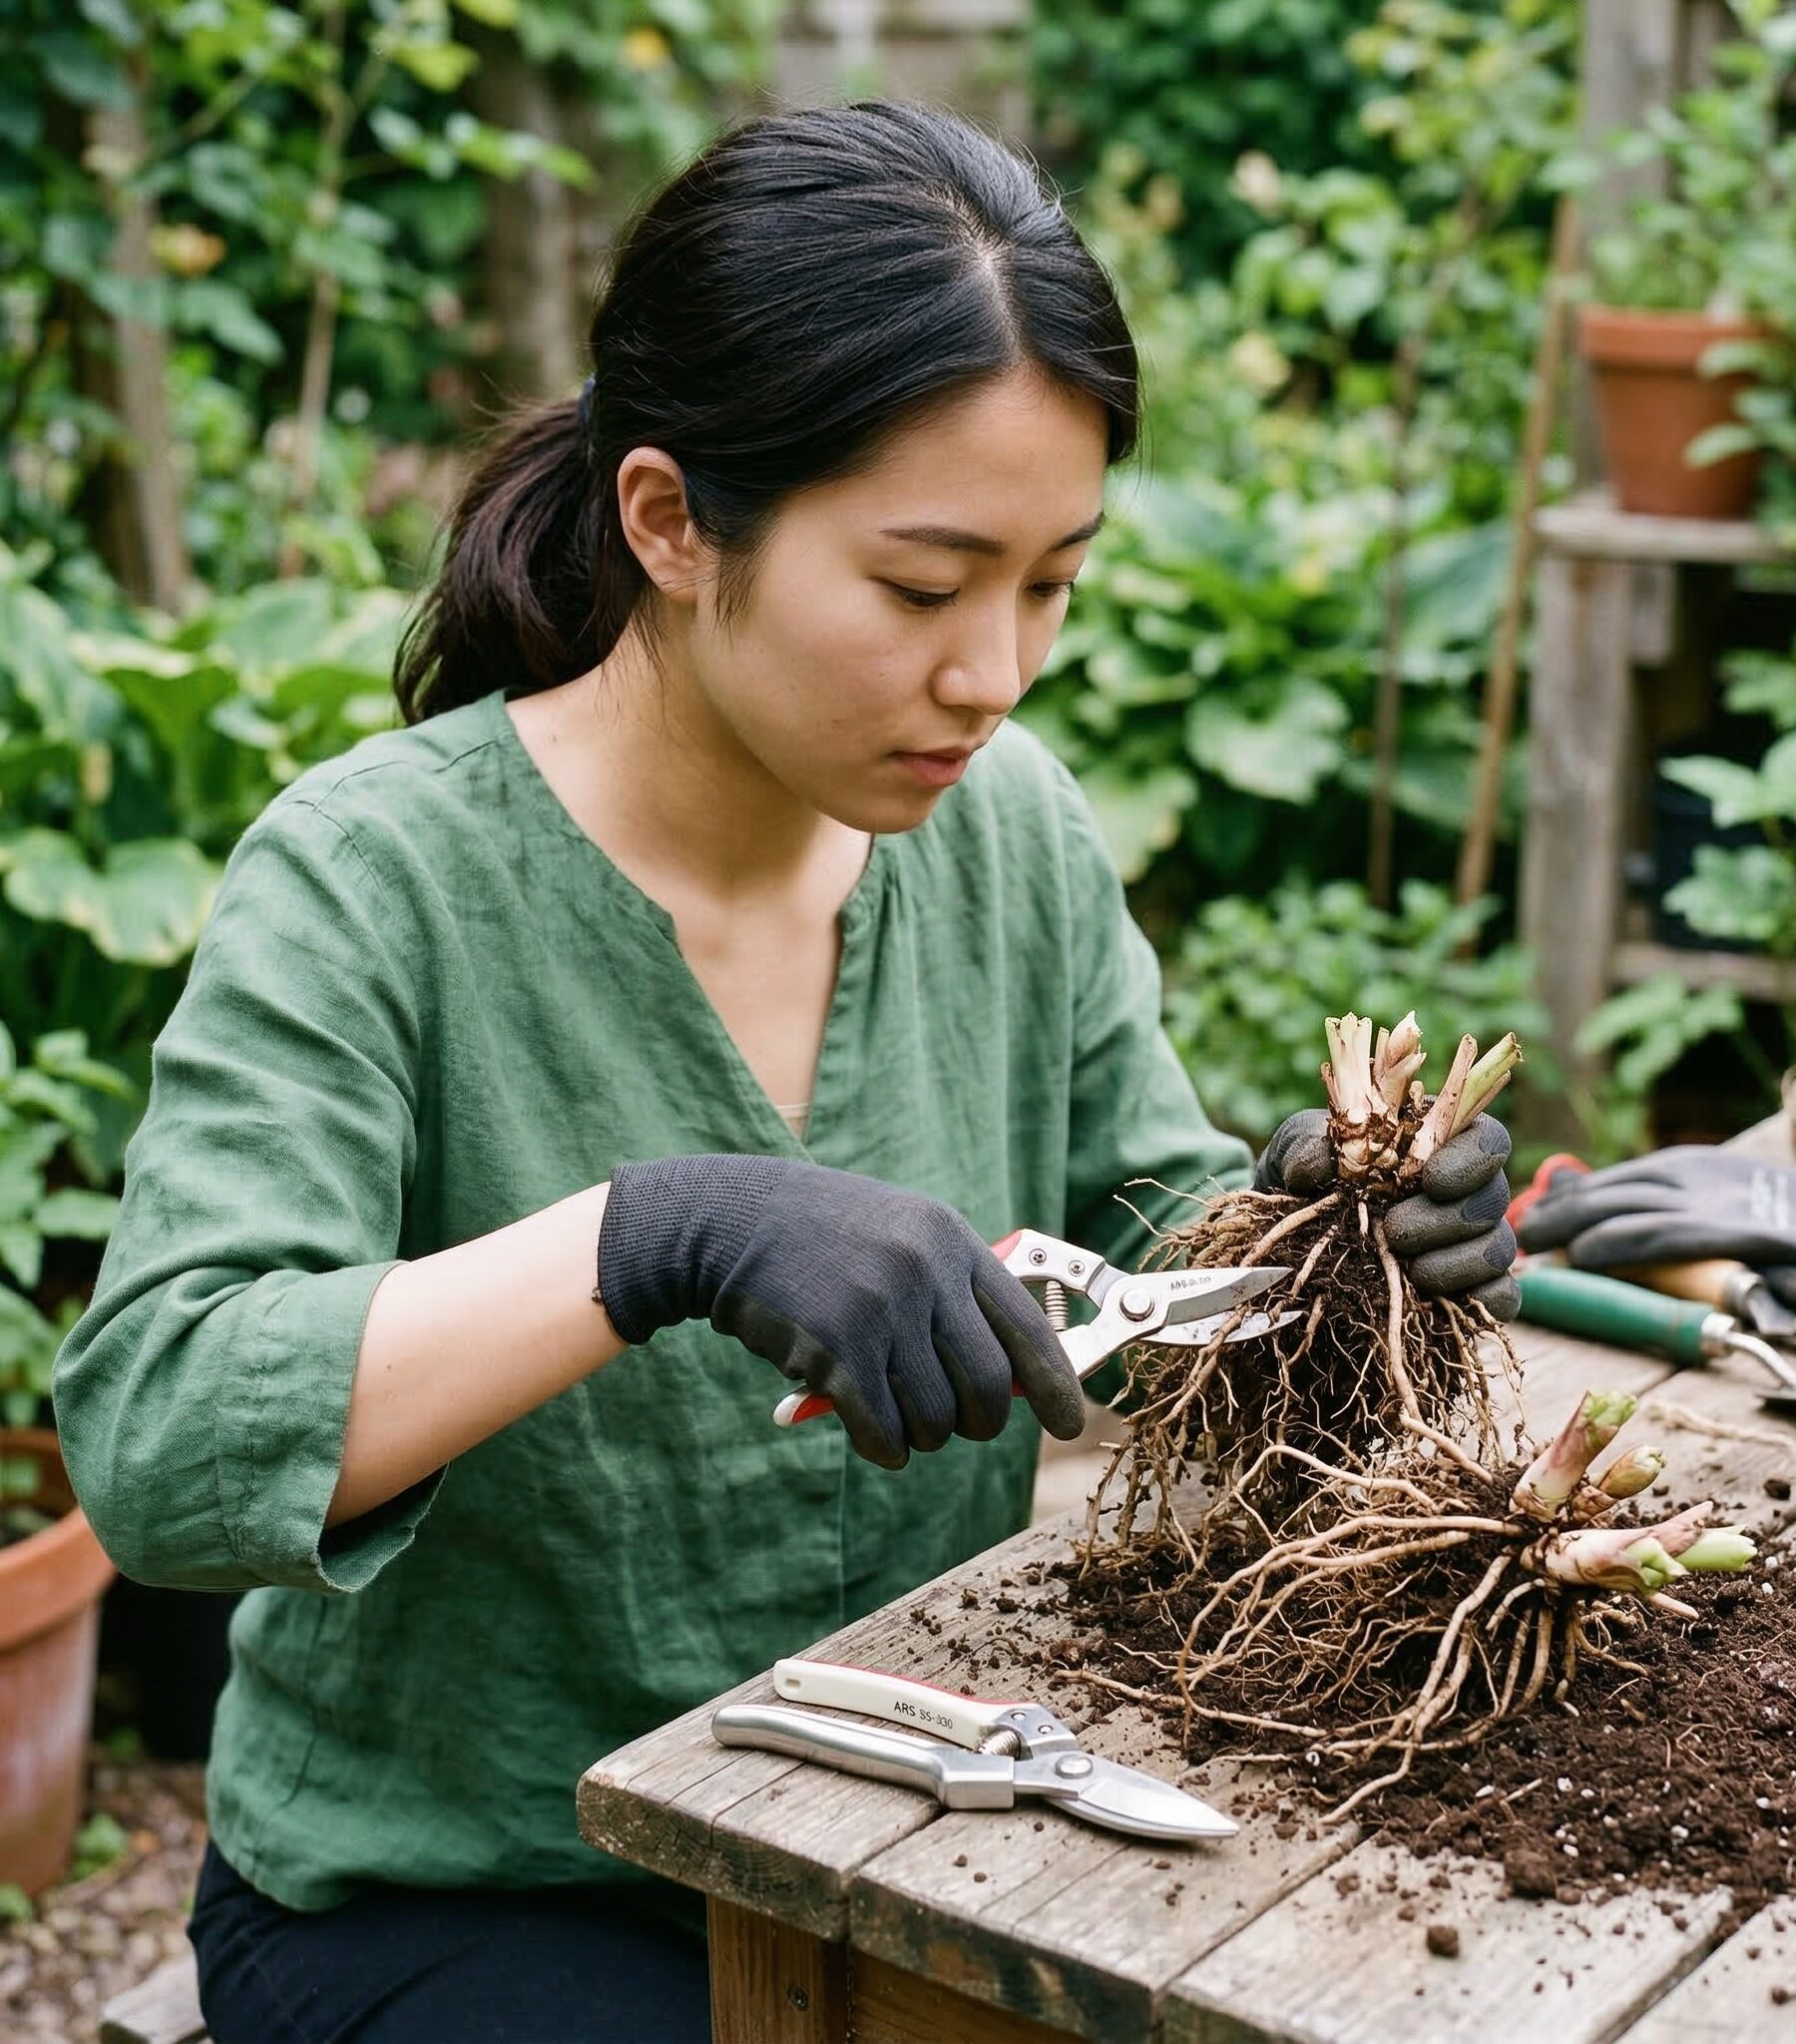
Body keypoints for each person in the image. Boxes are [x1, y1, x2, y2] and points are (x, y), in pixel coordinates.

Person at [52, 102, 1519, 2043]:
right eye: (923, 588)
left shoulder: (1008, 835)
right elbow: (159, 1430)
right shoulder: (375, 879)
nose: (996, 671)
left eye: (1052, 582)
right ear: (670, 521)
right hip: (478, 1885)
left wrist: (1323, 1240)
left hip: (920, 1826)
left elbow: (1127, 1240)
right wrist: (651, 1232)